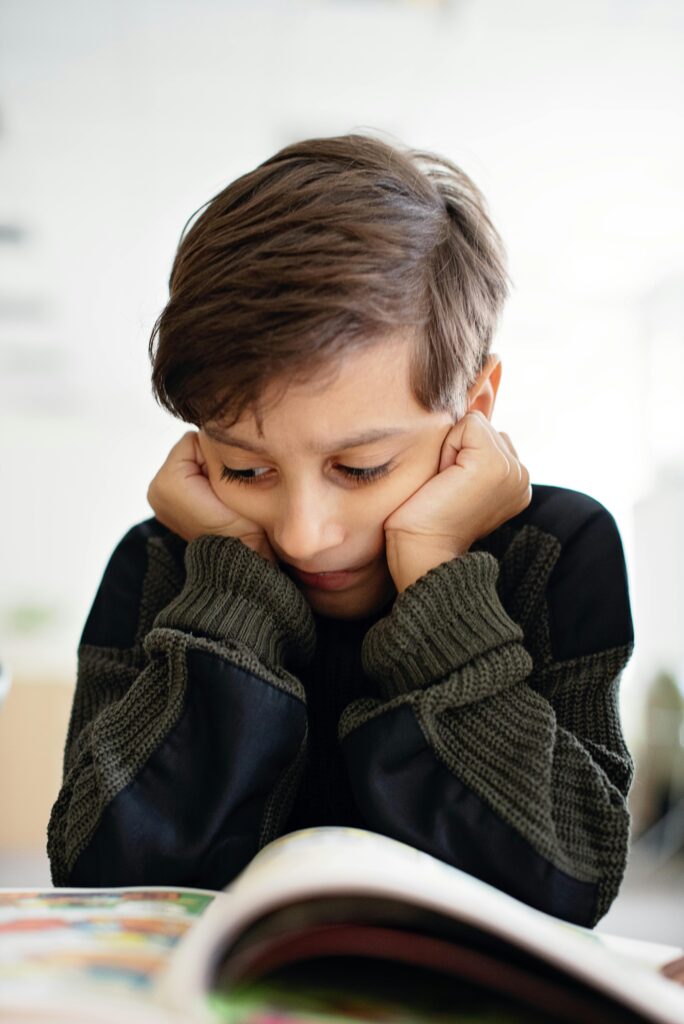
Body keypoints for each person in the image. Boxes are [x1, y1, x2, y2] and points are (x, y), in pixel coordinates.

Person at [47, 133, 635, 928]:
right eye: (245, 470)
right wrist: (233, 583)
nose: (302, 536)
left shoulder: (558, 550)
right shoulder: (159, 561)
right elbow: (100, 868)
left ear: (475, 407)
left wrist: (433, 572)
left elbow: (571, 878)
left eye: (360, 470)